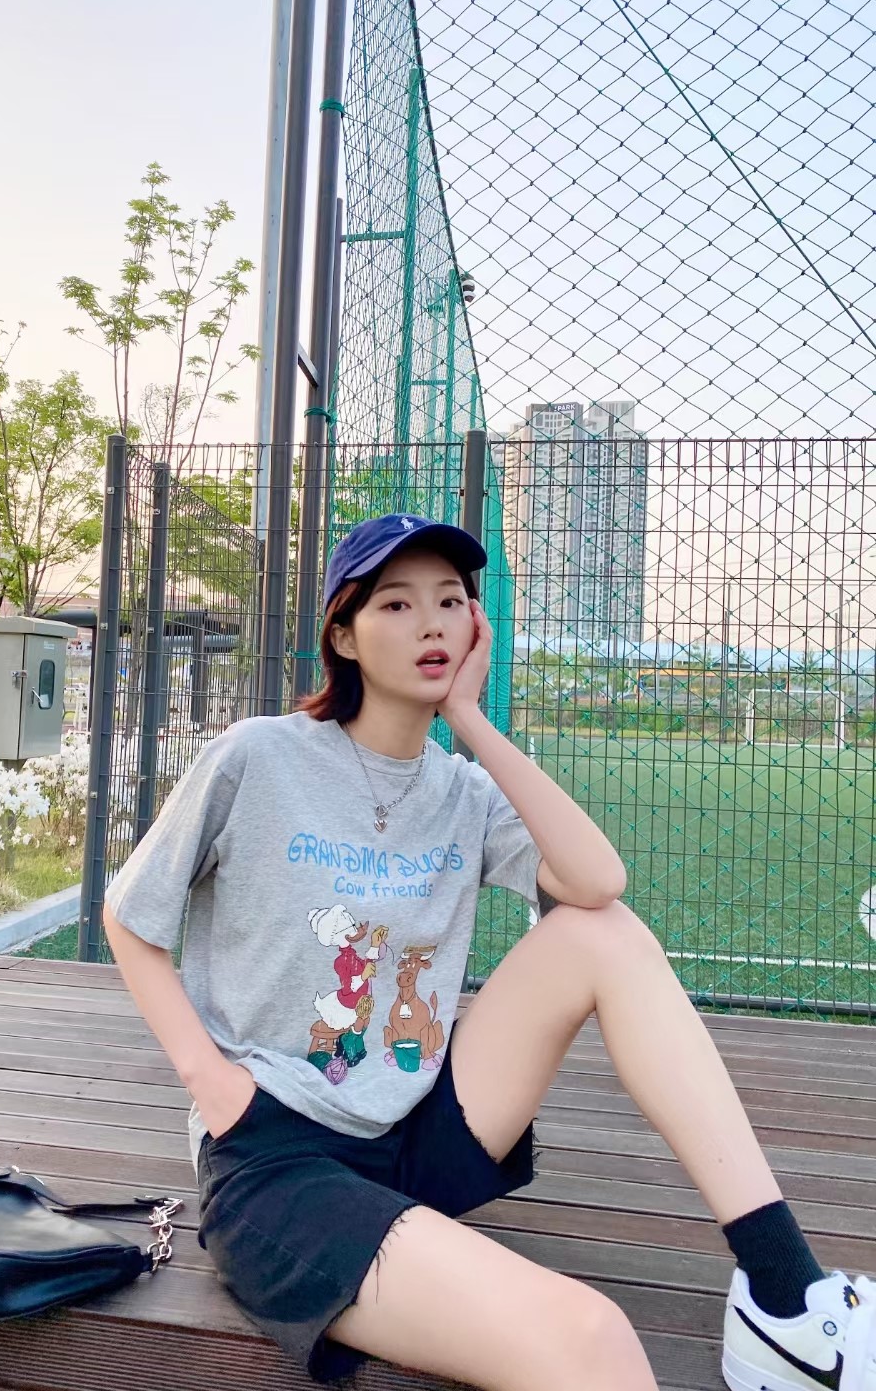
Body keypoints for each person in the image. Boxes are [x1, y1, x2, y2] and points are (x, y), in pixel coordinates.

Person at [104, 512, 873, 1391]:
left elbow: (597, 880)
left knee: (601, 933)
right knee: (590, 1337)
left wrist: (470, 719)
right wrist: (213, 1084)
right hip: (278, 1156)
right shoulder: (260, 757)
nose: (431, 623)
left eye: (450, 601)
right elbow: (132, 919)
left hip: (418, 1126)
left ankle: (784, 1294)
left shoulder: (463, 791)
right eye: (396, 604)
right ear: (344, 635)